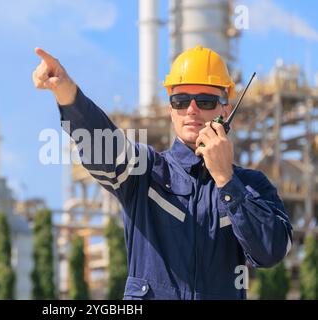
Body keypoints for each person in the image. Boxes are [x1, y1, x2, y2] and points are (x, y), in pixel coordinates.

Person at [32, 45, 293, 300]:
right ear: (171, 110)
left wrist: (226, 180)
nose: (191, 109)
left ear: (225, 109)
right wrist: (66, 92)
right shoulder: (146, 172)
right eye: (180, 101)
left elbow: (270, 251)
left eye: (205, 100)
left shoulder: (251, 186)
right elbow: (105, 146)